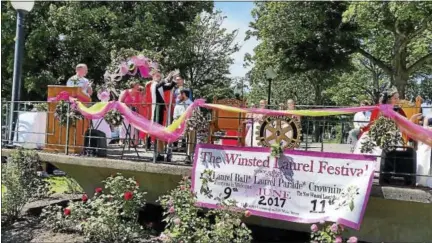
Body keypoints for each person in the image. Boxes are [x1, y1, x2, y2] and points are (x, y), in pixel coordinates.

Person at [144, 69, 177, 161]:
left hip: (161, 109)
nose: (158, 76)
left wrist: (174, 79)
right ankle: (158, 152)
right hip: (156, 110)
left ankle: (160, 153)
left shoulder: (160, 85)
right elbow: (160, 85)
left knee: (160, 131)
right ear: (153, 76)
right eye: (156, 75)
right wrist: (167, 78)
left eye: (159, 75)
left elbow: (169, 87)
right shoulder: (153, 84)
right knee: (157, 131)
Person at [119, 80, 146, 146]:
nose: (138, 86)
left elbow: (142, 100)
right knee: (124, 126)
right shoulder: (126, 92)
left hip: (134, 112)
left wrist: (143, 90)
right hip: (125, 111)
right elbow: (120, 101)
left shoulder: (138, 93)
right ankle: (121, 141)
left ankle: (131, 141)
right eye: (137, 85)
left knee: (133, 127)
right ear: (133, 85)